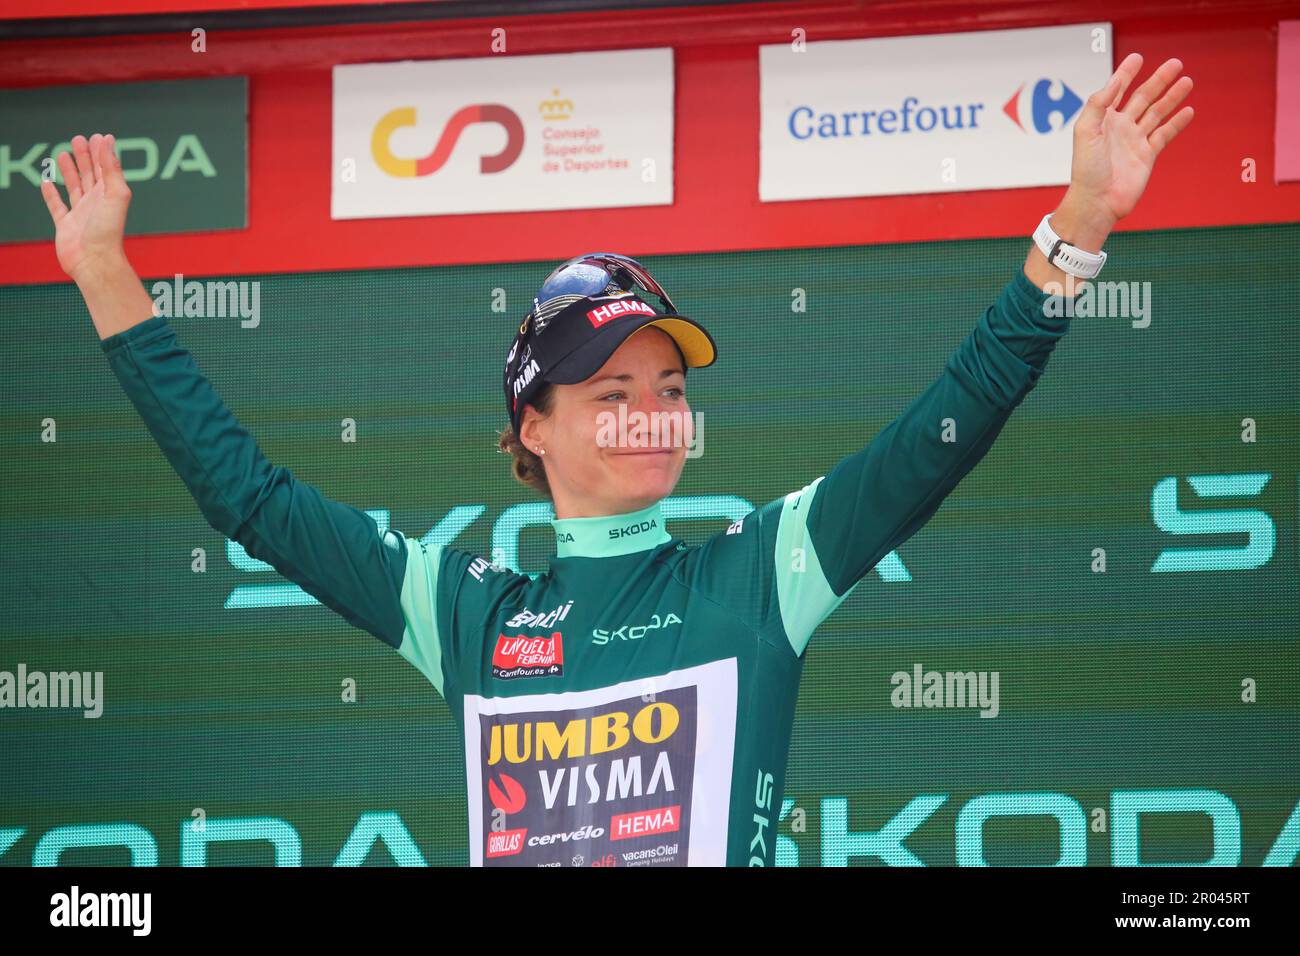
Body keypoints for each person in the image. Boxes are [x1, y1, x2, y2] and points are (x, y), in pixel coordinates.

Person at [42, 53, 1192, 866]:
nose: (652, 413)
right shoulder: (469, 612)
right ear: (531, 430)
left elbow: (949, 424)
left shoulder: (760, 573)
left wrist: (1076, 225)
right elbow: (246, 495)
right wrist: (102, 270)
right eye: (612, 391)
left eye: (672, 388)